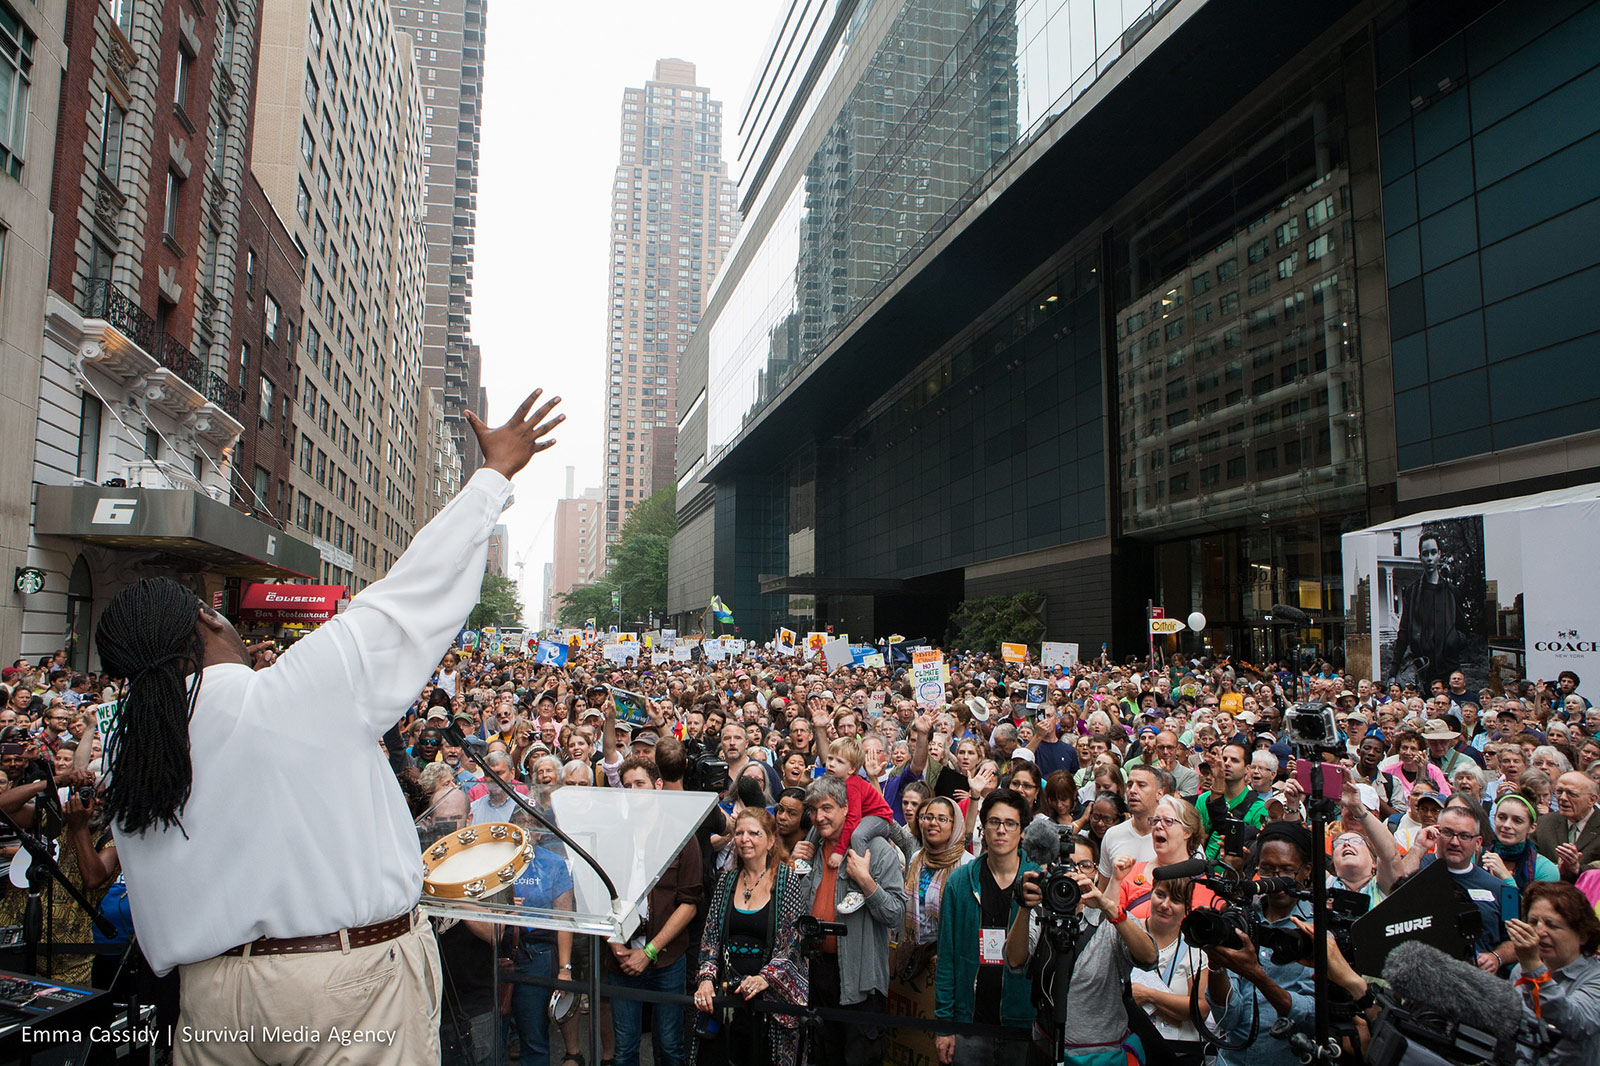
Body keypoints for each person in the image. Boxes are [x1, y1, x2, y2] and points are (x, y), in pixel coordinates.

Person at [90, 388, 562, 1065]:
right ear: (209, 620)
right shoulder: (291, 692)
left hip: (211, 1002)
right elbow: (411, 595)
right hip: (344, 993)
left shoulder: (126, 746)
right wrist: (494, 475)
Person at [1003, 835, 1159, 1065]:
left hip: (1099, 1056)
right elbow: (1014, 961)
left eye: (1084, 866)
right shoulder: (1041, 914)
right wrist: (1024, 907)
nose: (1073, 874)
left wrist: (1107, 907)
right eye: (1065, 866)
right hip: (1045, 1049)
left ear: (1096, 873)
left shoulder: (1110, 919)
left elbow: (1149, 957)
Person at [792, 773, 906, 1066]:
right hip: (816, 976)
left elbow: (896, 915)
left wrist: (866, 882)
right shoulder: (811, 848)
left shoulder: (877, 850)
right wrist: (793, 867)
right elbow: (792, 910)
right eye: (814, 810)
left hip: (860, 981)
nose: (819, 817)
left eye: (827, 808)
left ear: (847, 808)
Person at [692, 807, 808, 1066]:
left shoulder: (786, 879)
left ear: (770, 841)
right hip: (727, 1000)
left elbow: (792, 944)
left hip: (770, 1004)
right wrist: (707, 979)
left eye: (754, 833)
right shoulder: (726, 881)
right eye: (740, 832)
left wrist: (764, 978)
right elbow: (710, 938)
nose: (745, 839)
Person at [610, 757, 705, 1066]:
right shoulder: (614, 835)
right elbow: (599, 896)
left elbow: (688, 905)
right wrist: (615, 944)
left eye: (640, 784)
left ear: (658, 786)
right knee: (624, 1050)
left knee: (669, 1047)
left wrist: (649, 950)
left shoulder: (681, 836)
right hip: (621, 958)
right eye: (628, 787)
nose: (634, 791)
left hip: (667, 958)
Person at [934, 789, 1037, 1066]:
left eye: (1010, 823)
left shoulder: (1036, 883)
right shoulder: (960, 882)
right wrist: (945, 1025)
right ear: (983, 827)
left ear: (1022, 831)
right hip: (970, 1025)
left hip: (1022, 1027)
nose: (1001, 830)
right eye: (994, 822)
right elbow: (947, 957)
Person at [1202, 823, 1318, 1066]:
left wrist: (1257, 976)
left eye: (1286, 871)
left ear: (1306, 871)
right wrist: (1216, 962)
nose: (1276, 881)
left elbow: (1310, 1016)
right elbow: (1227, 1017)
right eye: (1267, 870)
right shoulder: (1243, 918)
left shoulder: (1316, 930)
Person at [1507, 881, 1600, 1066]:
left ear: (1582, 935)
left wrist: (1533, 967)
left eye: (1552, 925)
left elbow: (1574, 1022)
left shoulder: (1595, 976)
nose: (1539, 932)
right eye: (1533, 922)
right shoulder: (1520, 970)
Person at [1126, 878, 1208, 1065]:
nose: (1165, 905)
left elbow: (1201, 1008)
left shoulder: (1194, 946)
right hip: (1132, 1047)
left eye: (1176, 900)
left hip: (1181, 1053)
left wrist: (1148, 995)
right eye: (1160, 895)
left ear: (1187, 907)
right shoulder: (1129, 932)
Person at [1386, 531, 1469, 690]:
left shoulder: (1451, 592)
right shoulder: (1413, 591)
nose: (1429, 558)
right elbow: (1404, 632)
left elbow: (1464, 630)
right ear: (1420, 558)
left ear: (1439, 555)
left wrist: (1453, 641)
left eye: (1433, 553)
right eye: (1425, 554)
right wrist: (1393, 671)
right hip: (1424, 669)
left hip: (1449, 668)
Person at [1196, 742, 1268, 865]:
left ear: (1247, 769)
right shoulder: (1204, 799)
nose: (1227, 763)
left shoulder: (1258, 807)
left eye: (1234, 760)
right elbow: (1197, 838)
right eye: (1224, 759)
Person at [1484, 793, 1560, 892]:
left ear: (1532, 828)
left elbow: (1536, 907)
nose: (1507, 825)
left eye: (1517, 821)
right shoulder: (1477, 855)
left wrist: (1506, 878)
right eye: (1502, 817)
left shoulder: (1545, 869)